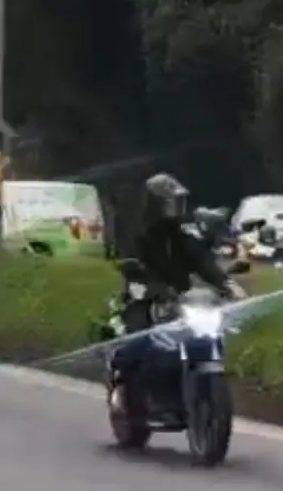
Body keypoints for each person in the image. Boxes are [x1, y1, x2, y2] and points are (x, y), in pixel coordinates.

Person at [105, 172, 245, 412]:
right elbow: (131, 264)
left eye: (179, 202)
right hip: (146, 296)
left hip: (180, 299)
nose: (177, 207)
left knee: (208, 333)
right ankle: (127, 392)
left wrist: (226, 283)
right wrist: (157, 289)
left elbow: (202, 260)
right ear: (156, 203)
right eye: (171, 202)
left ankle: (191, 391)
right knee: (138, 338)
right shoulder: (137, 235)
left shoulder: (182, 235)